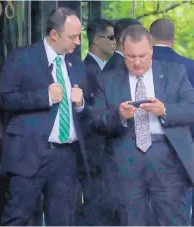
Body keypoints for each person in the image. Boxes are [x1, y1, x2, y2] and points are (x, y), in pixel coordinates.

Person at [91, 24, 194, 226]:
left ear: (152, 50)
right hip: (126, 158)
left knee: (172, 218)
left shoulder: (174, 73)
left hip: (165, 156)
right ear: (122, 52)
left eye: (142, 56)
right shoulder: (107, 80)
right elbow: (96, 120)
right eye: (131, 56)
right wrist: (119, 116)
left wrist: (164, 110)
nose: (137, 62)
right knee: (131, 220)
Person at [0, 7, 89, 226]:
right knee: (18, 217)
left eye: (79, 35)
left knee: (64, 220)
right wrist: (44, 97)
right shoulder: (23, 57)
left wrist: (81, 104)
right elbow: (3, 98)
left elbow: (87, 112)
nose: (78, 42)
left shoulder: (75, 63)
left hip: (66, 156)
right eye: (72, 36)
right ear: (54, 34)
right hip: (29, 154)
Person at [150, 18, 194, 226]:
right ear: (173, 39)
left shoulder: (140, 63)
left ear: (149, 38)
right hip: (182, 147)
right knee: (179, 207)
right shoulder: (189, 66)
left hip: (145, 147)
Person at [77, 18, 116, 225]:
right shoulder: (84, 70)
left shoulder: (112, 69)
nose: (114, 42)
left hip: (109, 154)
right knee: (95, 211)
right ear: (95, 40)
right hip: (94, 154)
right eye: (110, 37)